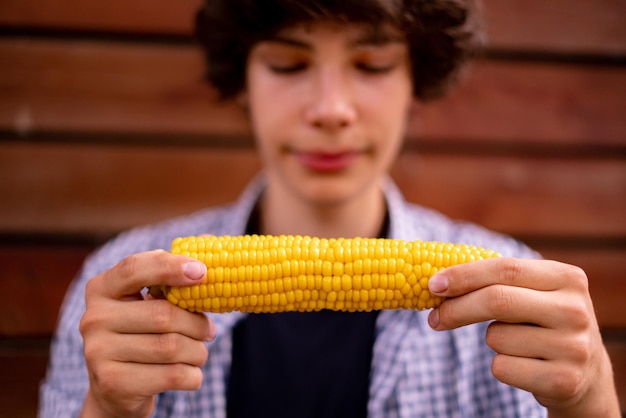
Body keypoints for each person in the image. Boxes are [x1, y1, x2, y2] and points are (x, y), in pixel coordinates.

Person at [39, 0, 621, 417]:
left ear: (417, 79)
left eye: (371, 65)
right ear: (241, 80)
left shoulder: (511, 294)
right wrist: (109, 410)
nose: (331, 109)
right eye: (289, 65)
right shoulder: (122, 287)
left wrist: (590, 400)